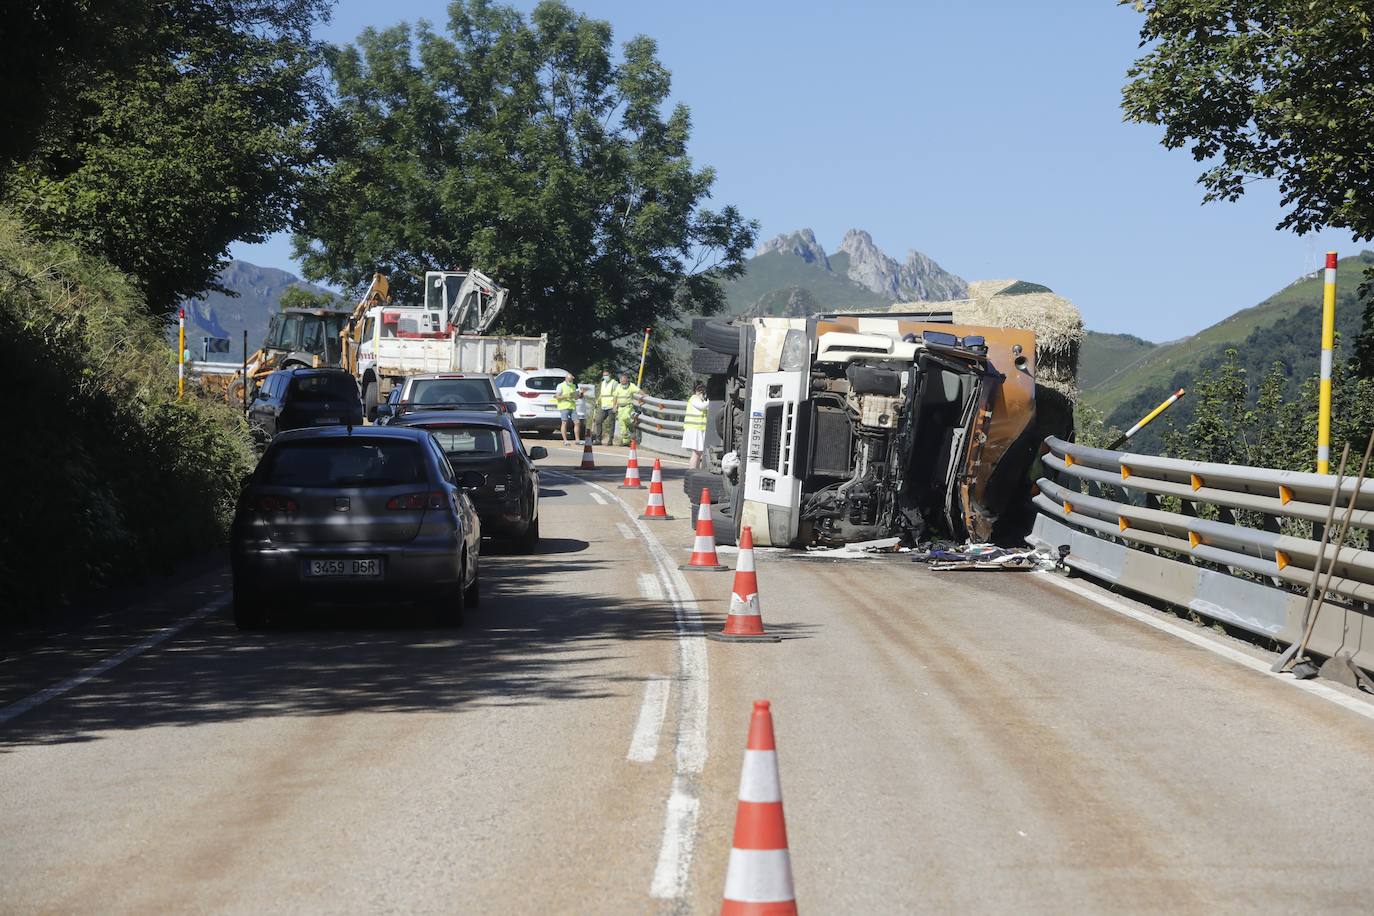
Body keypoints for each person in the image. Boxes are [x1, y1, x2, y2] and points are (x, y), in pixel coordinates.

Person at [682, 382, 708, 468]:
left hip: (698, 429)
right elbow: (702, 406)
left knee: (698, 453)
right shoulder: (694, 399)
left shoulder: (700, 400)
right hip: (693, 429)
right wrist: (710, 400)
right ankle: (692, 471)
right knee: (696, 453)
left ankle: (695, 470)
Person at [614, 371, 641, 446]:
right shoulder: (618, 386)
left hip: (628, 407)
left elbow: (638, 391)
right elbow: (615, 397)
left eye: (624, 382)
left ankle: (632, 430)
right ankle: (626, 441)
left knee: (627, 419)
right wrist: (614, 406)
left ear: (627, 381)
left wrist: (645, 395)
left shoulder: (631, 386)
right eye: (621, 382)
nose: (622, 383)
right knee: (622, 425)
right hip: (620, 408)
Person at [554, 372, 578, 445]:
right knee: (564, 423)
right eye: (569, 380)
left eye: (571, 380)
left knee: (577, 422)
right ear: (566, 379)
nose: (571, 381)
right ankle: (565, 440)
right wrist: (567, 396)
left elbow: (575, 397)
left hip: (572, 406)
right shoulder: (561, 386)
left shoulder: (573, 386)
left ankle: (577, 440)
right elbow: (557, 396)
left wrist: (579, 395)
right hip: (564, 406)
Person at [595, 369, 617, 445]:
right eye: (604, 375)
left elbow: (616, 395)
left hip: (611, 405)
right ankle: (598, 439)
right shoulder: (603, 383)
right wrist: (598, 400)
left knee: (611, 423)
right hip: (603, 405)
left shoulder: (614, 383)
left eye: (606, 375)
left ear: (610, 375)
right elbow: (602, 393)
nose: (605, 377)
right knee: (598, 421)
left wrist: (615, 405)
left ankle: (610, 440)